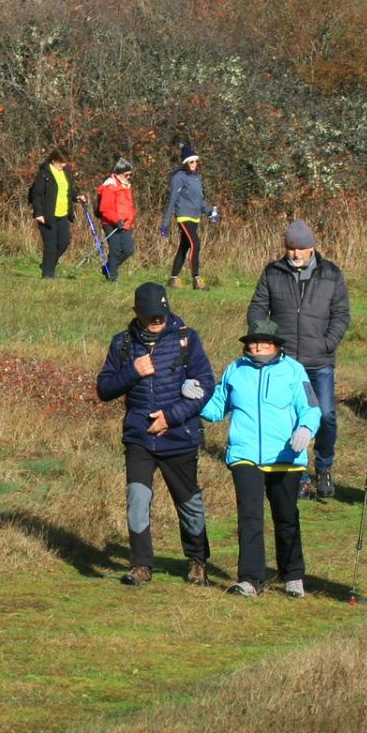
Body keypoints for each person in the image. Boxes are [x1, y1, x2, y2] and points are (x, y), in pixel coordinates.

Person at [96, 282, 216, 585]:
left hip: (178, 436)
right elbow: (105, 389)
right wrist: (133, 371)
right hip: (139, 438)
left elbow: (205, 386)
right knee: (137, 498)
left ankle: (197, 560)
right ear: (137, 313)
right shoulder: (122, 344)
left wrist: (170, 418)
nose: (157, 322)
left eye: (161, 316)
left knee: (188, 503)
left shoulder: (187, 339)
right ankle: (141, 565)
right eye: (151, 317)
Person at [199, 318, 321, 598]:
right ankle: (250, 579)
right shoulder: (235, 370)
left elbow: (311, 408)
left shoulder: (294, 371)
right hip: (245, 454)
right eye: (253, 341)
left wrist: (305, 429)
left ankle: (293, 576)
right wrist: (197, 399)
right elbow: (217, 409)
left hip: (286, 456)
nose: (257, 346)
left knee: (286, 515)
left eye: (264, 341)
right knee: (250, 516)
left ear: (277, 345)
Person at [247, 218, 350, 499]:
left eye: (300, 249)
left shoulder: (331, 274)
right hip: (286, 363)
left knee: (326, 416)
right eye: (290, 248)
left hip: (320, 363)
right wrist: (264, 340)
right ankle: (300, 474)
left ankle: (324, 467)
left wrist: (327, 343)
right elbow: (258, 308)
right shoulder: (273, 272)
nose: (295, 254)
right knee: (291, 419)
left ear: (311, 248)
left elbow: (342, 315)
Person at [27, 150, 83, 279]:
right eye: (61, 162)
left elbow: (69, 190)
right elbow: (37, 194)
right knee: (50, 245)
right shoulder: (44, 174)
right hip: (47, 215)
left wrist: (77, 196)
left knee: (64, 242)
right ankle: (48, 274)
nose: (63, 165)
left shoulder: (65, 173)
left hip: (63, 214)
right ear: (53, 160)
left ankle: (48, 264)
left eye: (65, 162)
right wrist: (38, 213)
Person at [160, 145, 207, 290]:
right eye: (191, 162)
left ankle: (173, 279)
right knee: (195, 243)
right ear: (185, 163)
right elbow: (172, 200)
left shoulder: (197, 178)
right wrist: (165, 223)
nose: (194, 164)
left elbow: (200, 200)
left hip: (195, 217)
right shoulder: (179, 177)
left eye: (196, 162)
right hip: (183, 216)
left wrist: (210, 211)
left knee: (184, 246)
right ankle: (196, 280)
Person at [94, 159, 138, 281]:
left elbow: (128, 205)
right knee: (115, 250)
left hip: (126, 223)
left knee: (128, 250)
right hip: (111, 223)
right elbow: (105, 209)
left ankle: (108, 267)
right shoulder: (110, 186)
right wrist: (116, 220)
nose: (129, 177)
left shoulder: (127, 186)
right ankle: (112, 278)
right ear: (119, 173)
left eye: (130, 175)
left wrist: (131, 216)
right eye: (126, 174)